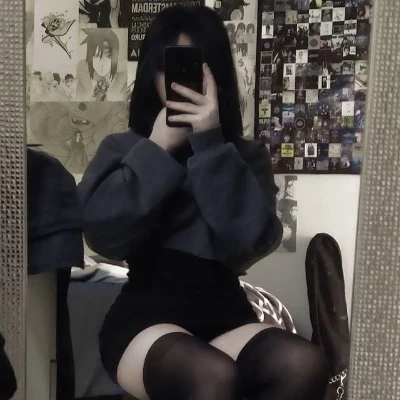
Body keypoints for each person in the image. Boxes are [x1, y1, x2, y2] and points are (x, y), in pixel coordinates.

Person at [78, 6, 329, 400]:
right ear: (151, 74)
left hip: (226, 313)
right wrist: (158, 148)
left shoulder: (243, 157)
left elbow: (250, 244)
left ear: (217, 77)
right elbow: (101, 236)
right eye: (170, 68)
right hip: (146, 318)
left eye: (194, 68)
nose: (180, 82)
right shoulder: (123, 149)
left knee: (304, 363)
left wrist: (209, 144)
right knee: (211, 376)